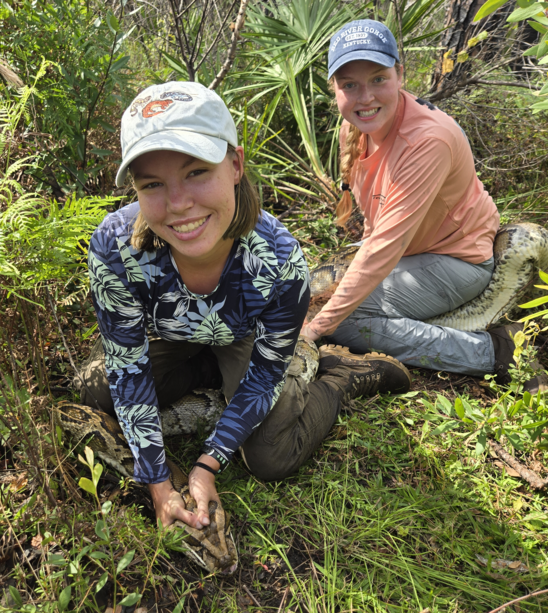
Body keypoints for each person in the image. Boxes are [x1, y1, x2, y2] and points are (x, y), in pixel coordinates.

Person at [82, 81, 411, 533]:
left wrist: (206, 465)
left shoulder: (279, 261)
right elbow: (127, 365)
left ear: (234, 164)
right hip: (177, 338)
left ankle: (339, 379)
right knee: (96, 388)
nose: (178, 205)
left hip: (246, 340)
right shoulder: (114, 249)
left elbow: (263, 376)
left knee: (271, 454)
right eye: (152, 183)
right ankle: (209, 374)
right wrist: (158, 482)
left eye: (196, 171)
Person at [301, 18, 542, 390]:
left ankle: (495, 352)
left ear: (400, 73)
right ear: (335, 89)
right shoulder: (358, 126)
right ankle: (410, 328)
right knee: (315, 294)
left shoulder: (427, 141)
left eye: (378, 79)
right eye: (350, 85)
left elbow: (386, 245)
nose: (365, 97)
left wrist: (317, 328)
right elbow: (374, 224)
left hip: (458, 260)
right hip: (412, 254)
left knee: (341, 319)